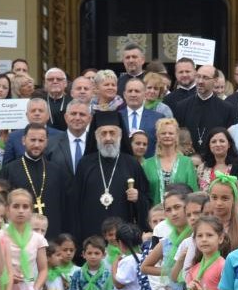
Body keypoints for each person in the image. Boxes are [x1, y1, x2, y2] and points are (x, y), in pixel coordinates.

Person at [74, 111, 150, 245]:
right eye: (103, 133)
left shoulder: (131, 164)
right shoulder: (85, 164)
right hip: (91, 237)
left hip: (123, 238)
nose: (108, 138)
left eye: (112, 133)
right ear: (96, 136)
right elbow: (75, 203)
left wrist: (138, 198)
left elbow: (147, 199)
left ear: (120, 136)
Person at [0, 123, 71, 237]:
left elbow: (65, 206)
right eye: (32, 140)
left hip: (52, 234)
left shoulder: (56, 171)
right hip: (20, 234)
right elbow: (1, 203)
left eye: (41, 141)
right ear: (23, 140)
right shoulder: (9, 170)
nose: (36, 145)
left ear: (46, 142)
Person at [173, 65, 237, 152]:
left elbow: (230, 140)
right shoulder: (181, 106)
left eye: (205, 78)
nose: (200, 81)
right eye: (198, 77)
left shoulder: (227, 109)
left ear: (215, 80)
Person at [143, 118, 199, 205]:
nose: (167, 136)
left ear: (176, 136)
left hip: (181, 214)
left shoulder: (187, 162)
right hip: (156, 215)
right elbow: (144, 194)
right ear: (158, 136)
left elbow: (193, 192)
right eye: (163, 133)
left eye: (171, 133)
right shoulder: (147, 164)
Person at [1, 98, 66, 165]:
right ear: (27, 115)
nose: (37, 113)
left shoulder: (61, 136)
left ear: (48, 116)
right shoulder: (13, 137)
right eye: (33, 111)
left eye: (41, 111)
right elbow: (6, 167)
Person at [47, 100, 93, 178]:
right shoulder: (51, 143)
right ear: (66, 117)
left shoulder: (95, 143)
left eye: (82, 114)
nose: (77, 118)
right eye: (73, 114)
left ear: (89, 119)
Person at [121, 78, 164, 156]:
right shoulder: (117, 117)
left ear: (145, 95)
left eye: (137, 91)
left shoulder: (158, 118)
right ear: (124, 95)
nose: (133, 94)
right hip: (123, 165)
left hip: (148, 165)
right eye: (130, 91)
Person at [196, 127, 238, 191]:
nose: (218, 144)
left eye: (222, 141)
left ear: (229, 144)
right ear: (209, 145)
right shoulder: (202, 168)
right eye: (213, 142)